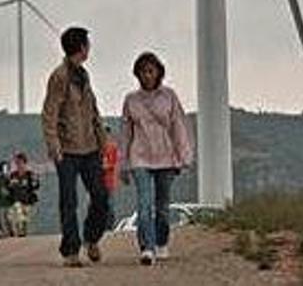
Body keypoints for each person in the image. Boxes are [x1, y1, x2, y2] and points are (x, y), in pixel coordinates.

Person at [41, 26, 109, 267]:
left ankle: (91, 238)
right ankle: (71, 250)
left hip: (90, 147)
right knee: (69, 201)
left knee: (101, 196)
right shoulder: (59, 77)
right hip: (67, 150)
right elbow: (49, 113)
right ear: (81, 47)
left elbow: (93, 111)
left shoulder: (84, 75)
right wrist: (54, 145)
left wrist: (103, 142)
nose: (89, 48)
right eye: (87, 44)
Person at [121, 52, 193, 266]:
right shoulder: (130, 100)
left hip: (166, 157)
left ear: (158, 72)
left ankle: (161, 242)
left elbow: (178, 127)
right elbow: (125, 133)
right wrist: (123, 164)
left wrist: (184, 156)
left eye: (151, 70)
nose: (147, 75)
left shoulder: (169, 96)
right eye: (143, 71)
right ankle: (147, 248)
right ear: (137, 74)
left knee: (162, 207)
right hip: (140, 157)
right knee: (144, 205)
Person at [6, 152, 40, 238]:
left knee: (24, 220)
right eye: (17, 163)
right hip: (16, 200)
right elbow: (8, 188)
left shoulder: (30, 174)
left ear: (25, 163)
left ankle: (23, 233)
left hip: (27, 200)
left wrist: (35, 180)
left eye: (20, 162)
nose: (19, 165)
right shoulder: (13, 175)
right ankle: (17, 232)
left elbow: (36, 186)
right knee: (16, 213)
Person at [101, 126, 120, 230]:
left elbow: (113, 164)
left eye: (106, 133)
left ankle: (110, 227)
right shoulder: (97, 148)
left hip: (109, 181)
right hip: (98, 182)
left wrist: (103, 166)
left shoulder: (113, 147)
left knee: (110, 205)